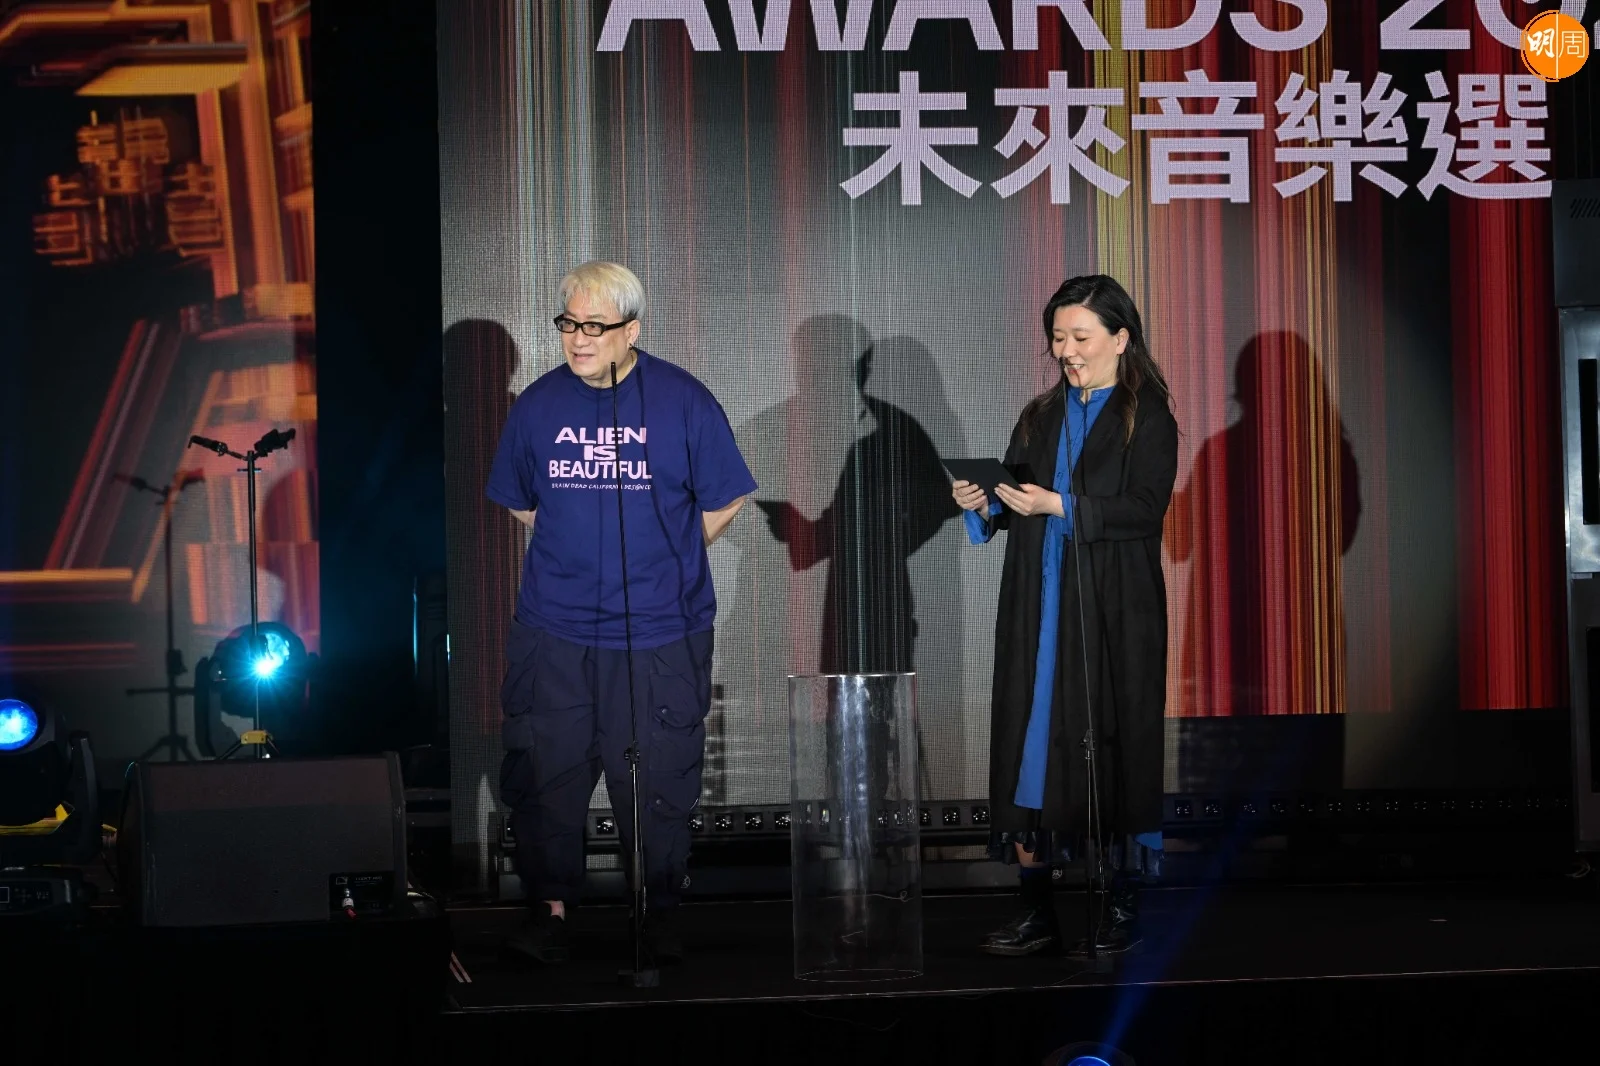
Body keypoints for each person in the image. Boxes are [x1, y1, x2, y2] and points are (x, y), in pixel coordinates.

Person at [486, 261, 757, 966]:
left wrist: (673, 552)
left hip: (661, 631)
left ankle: (655, 913)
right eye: (568, 324)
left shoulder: (682, 400)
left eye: (594, 326)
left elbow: (727, 495)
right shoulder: (538, 406)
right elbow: (522, 503)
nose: (577, 339)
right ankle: (550, 913)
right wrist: (578, 550)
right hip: (556, 631)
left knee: (659, 776)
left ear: (631, 331)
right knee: (547, 774)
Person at [952, 275, 1177, 956]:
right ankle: (1037, 911)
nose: (1067, 351)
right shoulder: (1040, 415)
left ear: (1120, 338)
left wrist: (1062, 507)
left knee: (1113, 743)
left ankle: (1119, 904)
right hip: (1038, 602)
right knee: (1030, 743)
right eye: (1058, 338)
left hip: (1113, 606)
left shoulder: (1147, 416)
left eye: (1081, 337)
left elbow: (1145, 510)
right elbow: (1011, 496)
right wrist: (982, 502)